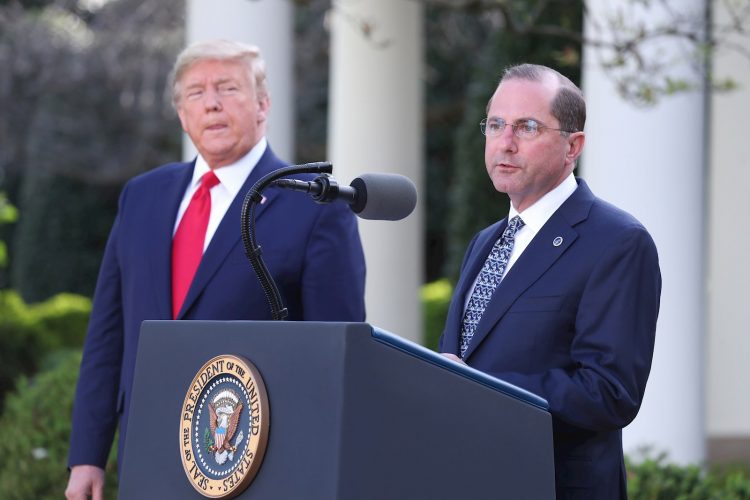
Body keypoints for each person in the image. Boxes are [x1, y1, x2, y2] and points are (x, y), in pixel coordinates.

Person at [65, 39, 366, 499]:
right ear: (182, 113)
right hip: (148, 451)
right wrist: (87, 454)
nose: (211, 103)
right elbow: (108, 336)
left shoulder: (314, 207)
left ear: (263, 104)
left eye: (228, 88)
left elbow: (336, 353)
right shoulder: (141, 198)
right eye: (196, 93)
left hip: (256, 460)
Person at [439, 63, 661, 499]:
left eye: (527, 127)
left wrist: (476, 384)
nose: (505, 142)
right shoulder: (486, 242)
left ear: (572, 146)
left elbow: (609, 392)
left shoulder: (617, 242)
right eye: (497, 124)